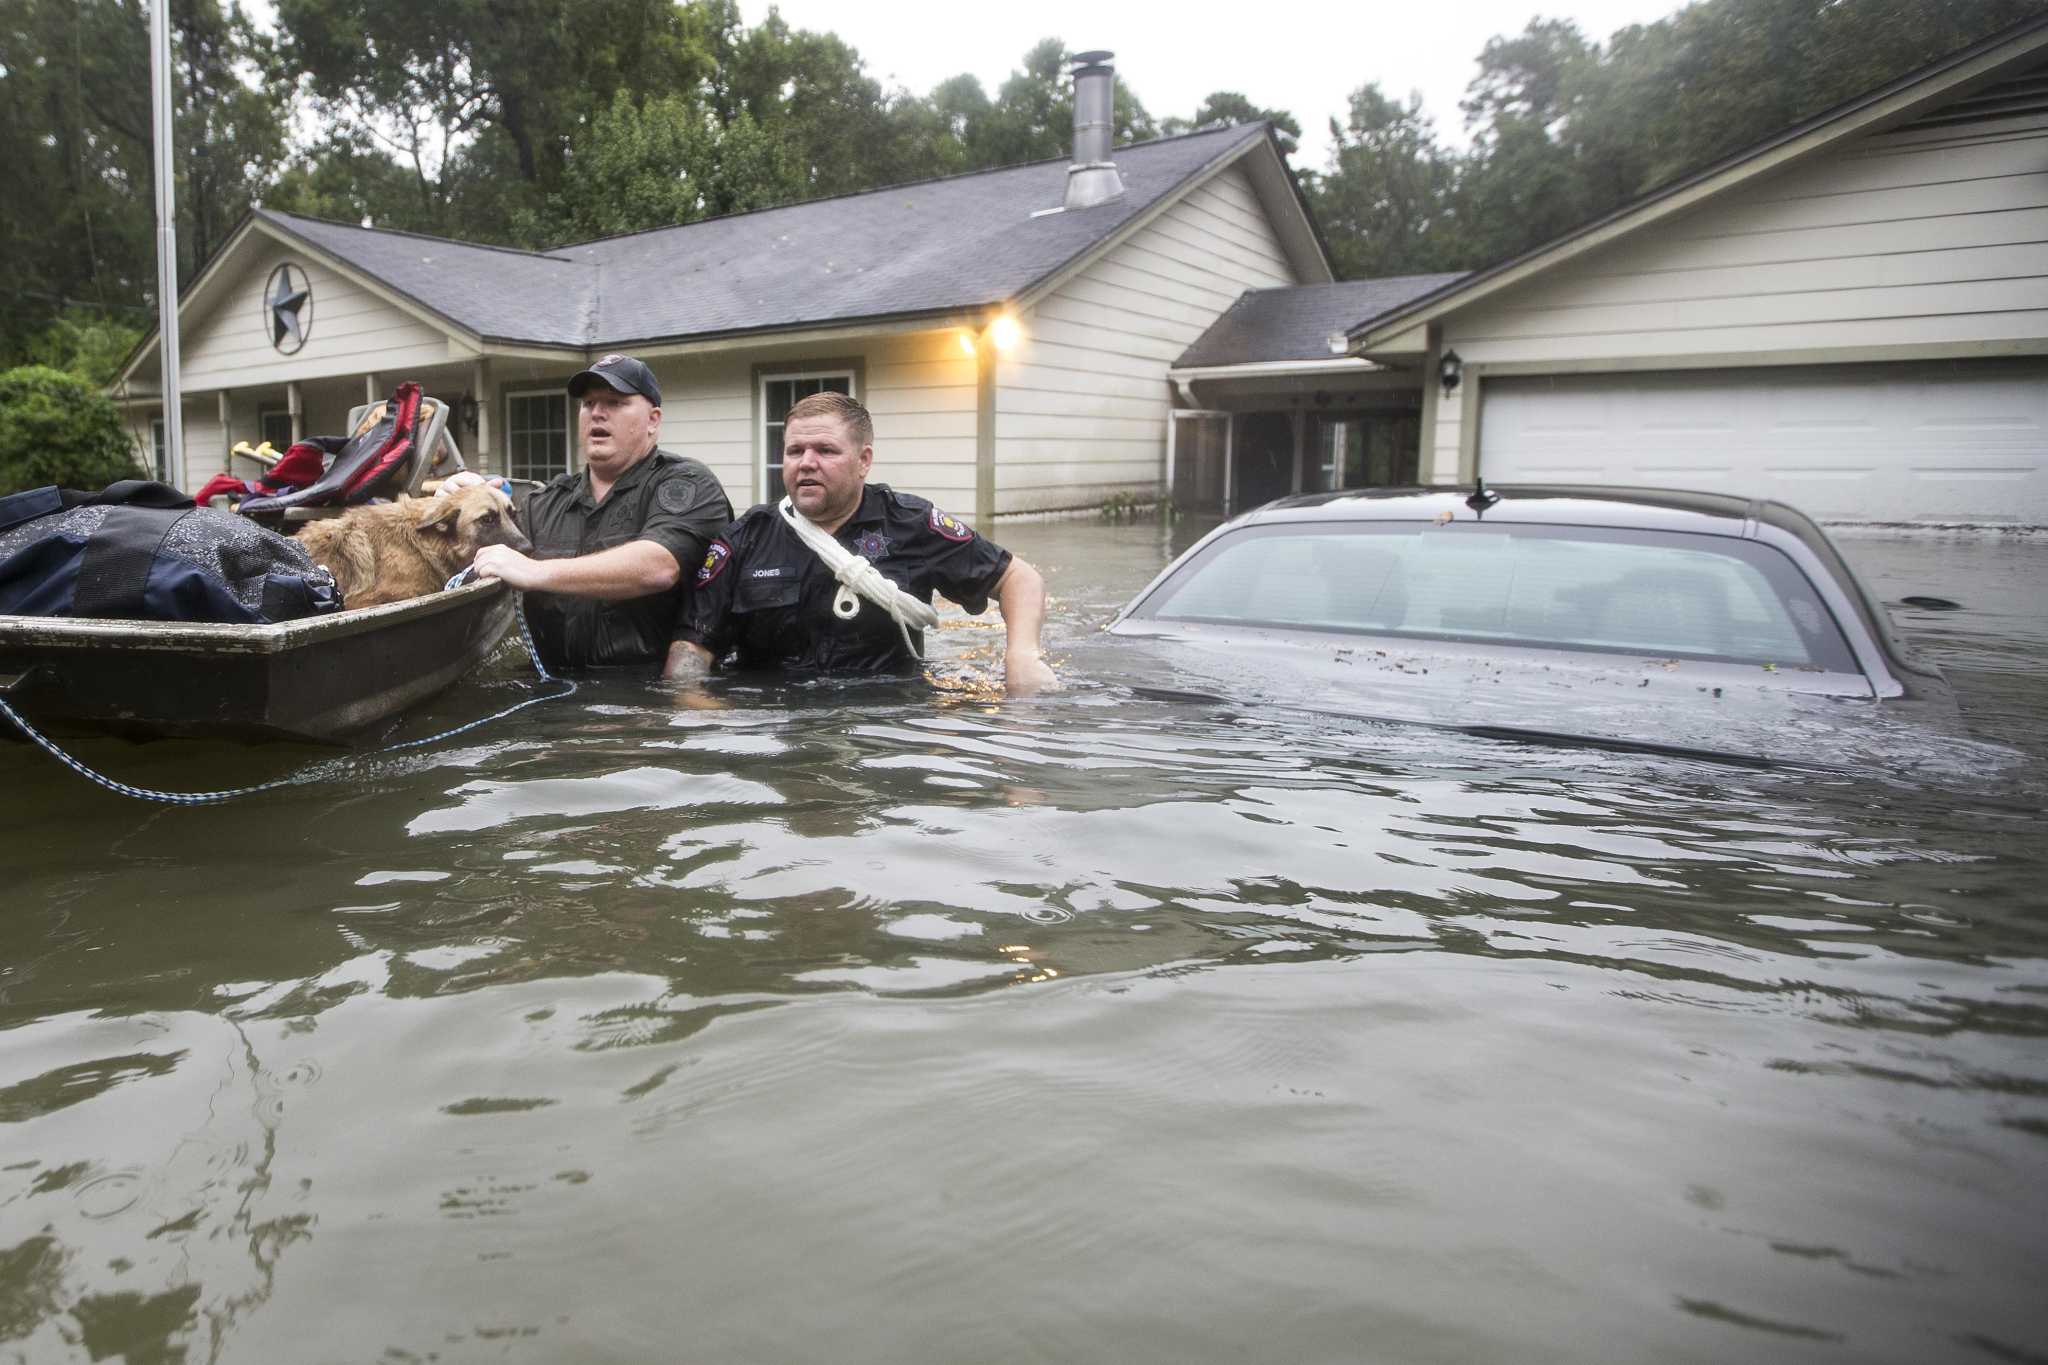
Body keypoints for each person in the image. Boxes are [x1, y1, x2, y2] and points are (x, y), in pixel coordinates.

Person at [665, 391, 1056, 696]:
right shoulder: (745, 538)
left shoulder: (910, 524)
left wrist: (1021, 656)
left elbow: (1018, 578)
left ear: (863, 460)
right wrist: (711, 720)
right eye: (795, 451)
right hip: (776, 725)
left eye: (826, 451)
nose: (806, 462)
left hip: (888, 725)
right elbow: (691, 652)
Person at [469, 354, 732, 673]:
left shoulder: (687, 484)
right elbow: (476, 556)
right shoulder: (545, 503)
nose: (597, 413)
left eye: (615, 402)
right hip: (549, 694)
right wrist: (458, 501)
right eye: (588, 403)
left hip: (651, 702)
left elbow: (659, 566)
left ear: (653, 420)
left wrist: (537, 571)